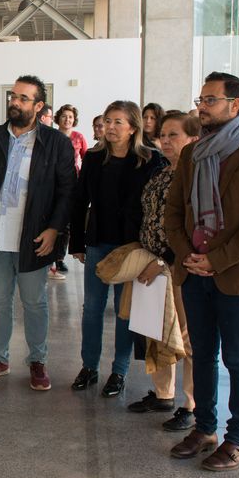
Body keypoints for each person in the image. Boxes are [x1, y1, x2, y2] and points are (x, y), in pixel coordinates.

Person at [165, 72, 239, 471]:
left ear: (235, 105)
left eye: (211, 100)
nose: (202, 107)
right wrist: (188, 255)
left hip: (238, 274)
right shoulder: (192, 154)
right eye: (200, 99)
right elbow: (174, 213)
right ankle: (205, 428)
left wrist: (216, 260)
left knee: (237, 358)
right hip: (194, 270)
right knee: (201, 353)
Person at [0, 76, 75, 391]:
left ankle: (37, 361)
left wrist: (55, 229)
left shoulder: (56, 143)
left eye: (24, 98)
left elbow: (67, 192)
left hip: (34, 238)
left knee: (34, 302)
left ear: (39, 106)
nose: (15, 102)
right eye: (14, 96)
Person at [68, 100, 166, 395]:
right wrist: (77, 243)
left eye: (117, 122)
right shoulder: (95, 158)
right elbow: (78, 201)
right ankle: (89, 367)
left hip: (133, 247)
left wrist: (157, 252)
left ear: (133, 127)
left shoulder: (150, 160)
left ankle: (119, 371)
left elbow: (157, 208)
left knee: (125, 312)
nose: (110, 127)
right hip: (99, 242)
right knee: (92, 309)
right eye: (108, 121)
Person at [127, 111, 200, 430]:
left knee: (187, 336)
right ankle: (163, 394)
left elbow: (192, 226)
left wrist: (164, 261)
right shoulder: (161, 172)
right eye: (163, 135)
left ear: (193, 139)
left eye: (175, 135)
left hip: (178, 266)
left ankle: (192, 404)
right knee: (157, 332)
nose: (166, 141)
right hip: (152, 264)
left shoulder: (196, 175)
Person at [51, 103, 89, 278]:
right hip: (51, 183)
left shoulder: (78, 137)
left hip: (71, 183)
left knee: (66, 223)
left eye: (71, 117)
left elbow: (86, 159)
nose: (67, 119)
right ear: (58, 118)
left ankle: (59, 257)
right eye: (65, 116)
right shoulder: (51, 136)